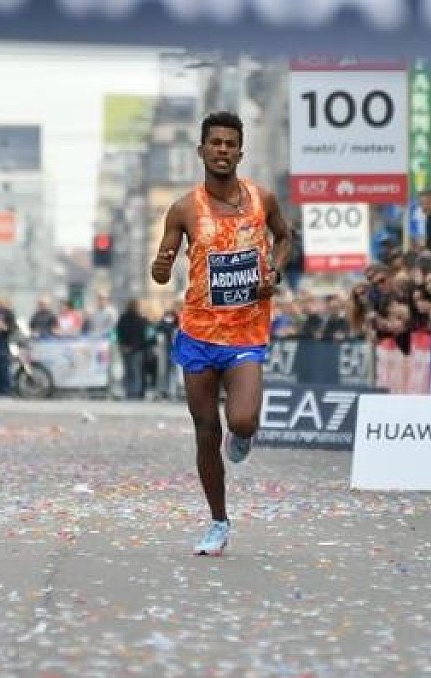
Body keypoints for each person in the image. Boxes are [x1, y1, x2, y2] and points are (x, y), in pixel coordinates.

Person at [151, 111, 292, 556]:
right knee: (206, 430)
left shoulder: (262, 199)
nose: (223, 150)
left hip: (246, 332)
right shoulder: (184, 209)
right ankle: (218, 520)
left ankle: (243, 434)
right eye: (215, 143)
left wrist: (275, 271)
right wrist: (160, 266)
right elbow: (161, 270)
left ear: (240, 152)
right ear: (202, 150)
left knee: (242, 420)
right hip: (198, 334)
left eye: (230, 144)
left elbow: (285, 238)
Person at [115, 299, 150, 399]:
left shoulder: (138, 319)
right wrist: (124, 345)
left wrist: (126, 346)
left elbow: (143, 336)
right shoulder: (131, 319)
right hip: (132, 348)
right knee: (132, 371)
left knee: (133, 371)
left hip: (135, 349)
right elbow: (119, 333)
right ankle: (132, 391)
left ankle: (134, 391)